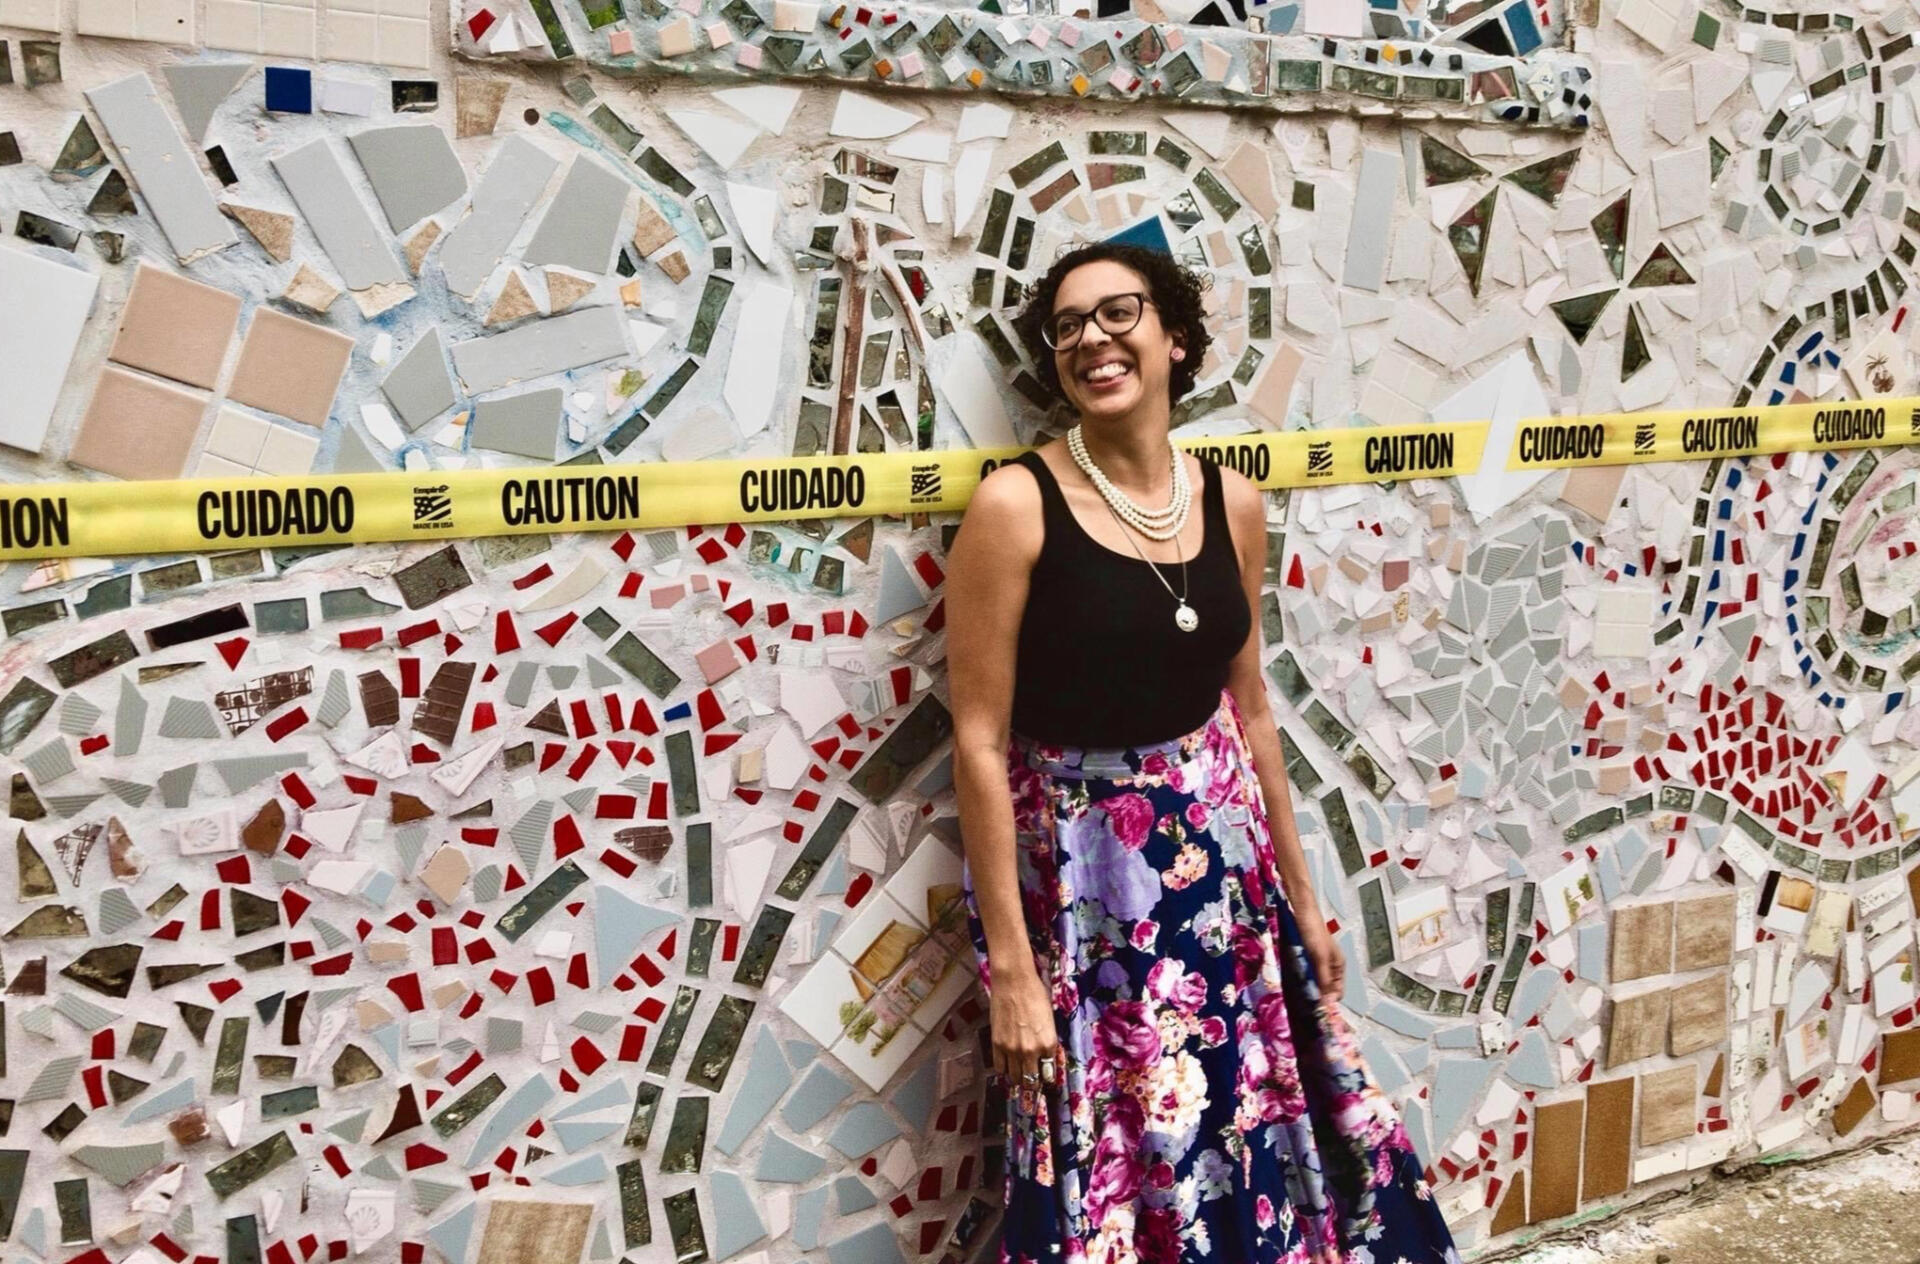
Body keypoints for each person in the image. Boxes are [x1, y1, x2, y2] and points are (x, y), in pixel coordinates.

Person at [945, 242, 1459, 1264]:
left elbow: (1252, 706)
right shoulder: (1016, 506)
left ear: (1175, 339)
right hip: (1092, 891)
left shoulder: (1231, 498)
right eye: (1067, 325)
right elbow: (978, 735)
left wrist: (1304, 895)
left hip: (1225, 878)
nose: (1092, 337)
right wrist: (1010, 966)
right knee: (1124, 1142)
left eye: (1119, 312)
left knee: (1246, 1119)